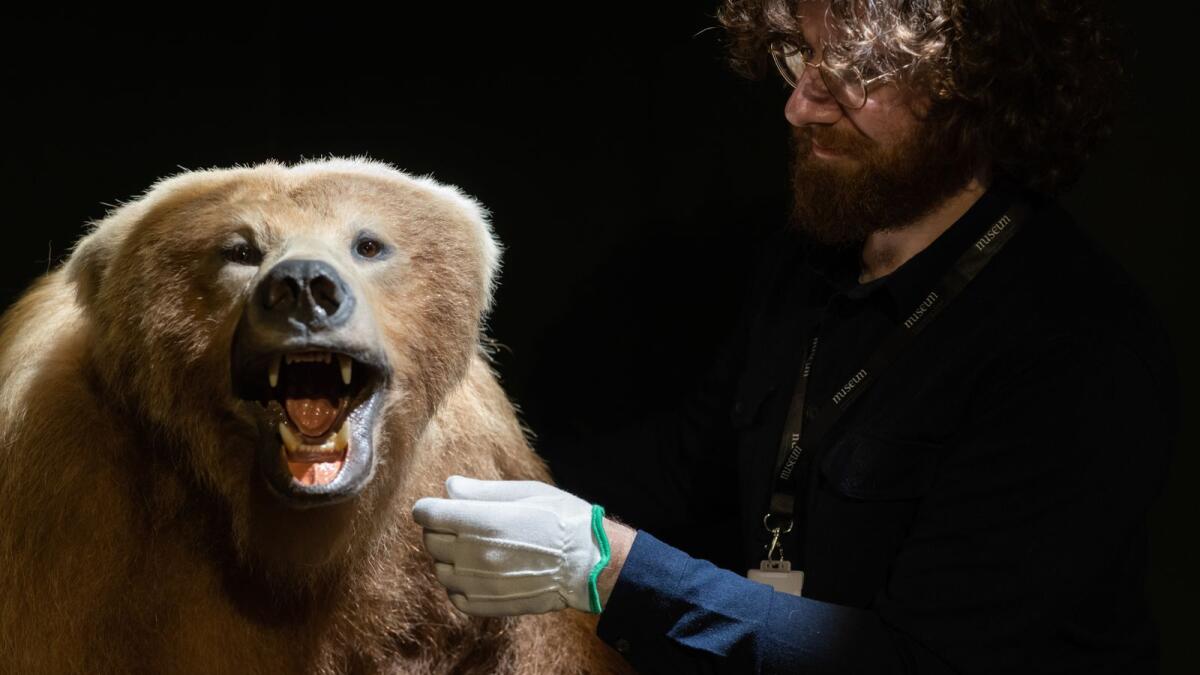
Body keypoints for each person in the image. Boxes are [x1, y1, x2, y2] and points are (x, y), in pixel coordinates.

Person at [413, 0, 1179, 671]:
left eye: (851, 67)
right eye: (802, 54)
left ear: (974, 79)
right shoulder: (810, 258)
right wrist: (442, 475)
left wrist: (604, 565)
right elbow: (688, 466)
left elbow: (921, 662)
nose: (801, 105)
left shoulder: (1076, 348)